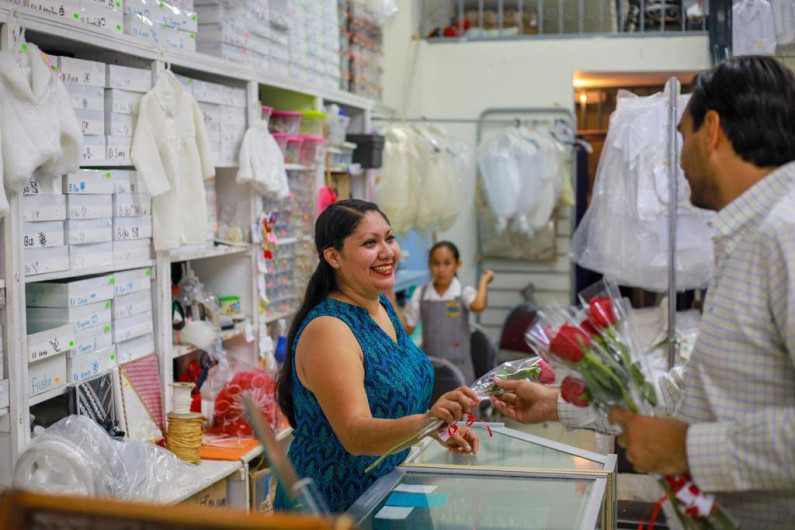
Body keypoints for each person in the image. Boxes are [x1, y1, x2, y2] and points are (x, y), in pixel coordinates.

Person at [491, 55, 795, 529]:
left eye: (681, 136)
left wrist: (685, 448)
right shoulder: (751, 237)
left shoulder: (785, 235)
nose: (679, 158)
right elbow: (694, 393)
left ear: (711, 130)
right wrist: (558, 403)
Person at [275, 199, 480, 513]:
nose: (387, 252)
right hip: (334, 506)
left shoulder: (380, 305)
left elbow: (391, 398)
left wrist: (436, 427)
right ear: (333, 256)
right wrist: (425, 422)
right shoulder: (329, 329)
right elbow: (355, 434)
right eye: (370, 243)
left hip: (388, 490)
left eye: (390, 238)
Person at [393, 241, 495, 383]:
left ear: (457, 265)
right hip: (431, 369)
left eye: (447, 263)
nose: (441, 270)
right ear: (429, 265)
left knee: (462, 403)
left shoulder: (463, 292)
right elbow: (407, 328)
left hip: (461, 370)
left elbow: (478, 306)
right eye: (436, 263)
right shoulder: (420, 294)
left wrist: (484, 282)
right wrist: (391, 300)